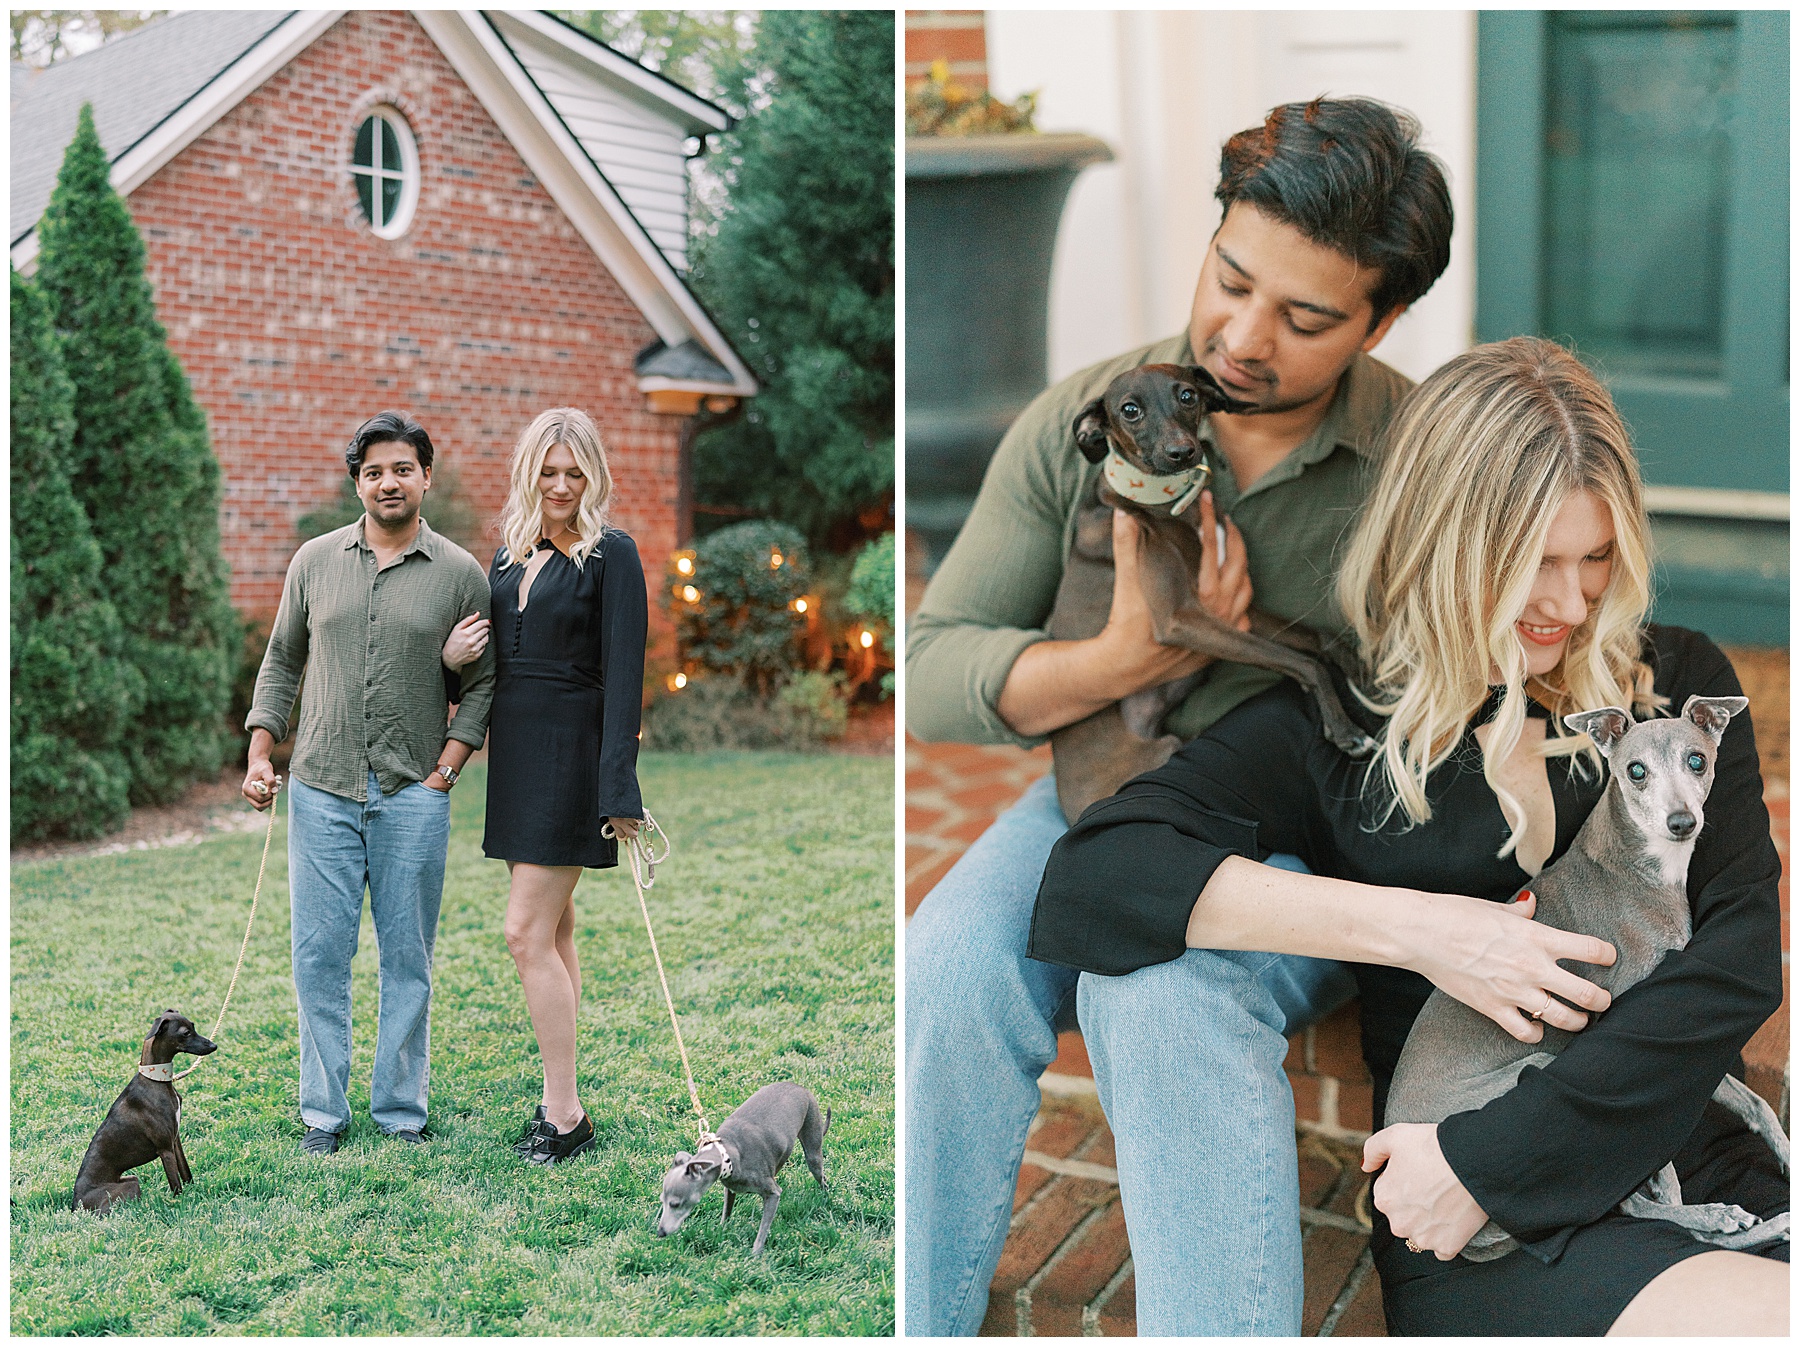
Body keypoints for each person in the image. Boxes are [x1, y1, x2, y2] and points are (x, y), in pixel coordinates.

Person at [1031, 337, 1788, 1336]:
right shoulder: (1339, 721)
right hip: (1478, 1227)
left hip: (1658, 1149)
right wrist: (1423, 932)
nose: (1570, 602)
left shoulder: (1677, 686)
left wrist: (1496, 1158)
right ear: (1447, 544)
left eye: (1596, 557)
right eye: (1533, 566)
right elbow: (1096, 878)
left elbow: (1734, 967)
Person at [905, 97, 1452, 1333]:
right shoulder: (1091, 414)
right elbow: (939, 670)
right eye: (1231, 279)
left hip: (1302, 828)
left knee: (1159, 998)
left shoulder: (1424, 458)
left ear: (1383, 320)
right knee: (944, 966)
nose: (1244, 339)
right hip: (1106, 795)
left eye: (1307, 317)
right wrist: (1118, 654)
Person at [245, 411, 495, 1155]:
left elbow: (483, 685)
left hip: (413, 793)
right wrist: (261, 751)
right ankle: (324, 1112)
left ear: (426, 476)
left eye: (403, 468)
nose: (389, 481)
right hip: (320, 788)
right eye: (375, 470)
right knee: (319, 955)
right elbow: (282, 660)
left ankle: (399, 1111)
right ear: (358, 482)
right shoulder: (315, 562)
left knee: (407, 958)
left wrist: (447, 769)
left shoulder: (459, 574)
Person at [440, 406, 646, 1166]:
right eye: (549, 470)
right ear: (530, 472)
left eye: (575, 471)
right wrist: (451, 657)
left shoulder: (610, 555)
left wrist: (617, 786)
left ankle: (566, 1113)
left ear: (592, 475)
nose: (561, 485)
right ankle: (560, 1095)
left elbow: (626, 677)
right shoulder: (505, 557)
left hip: (574, 758)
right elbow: (488, 667)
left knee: (523, 931)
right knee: (554, 931)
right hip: (517, 758)